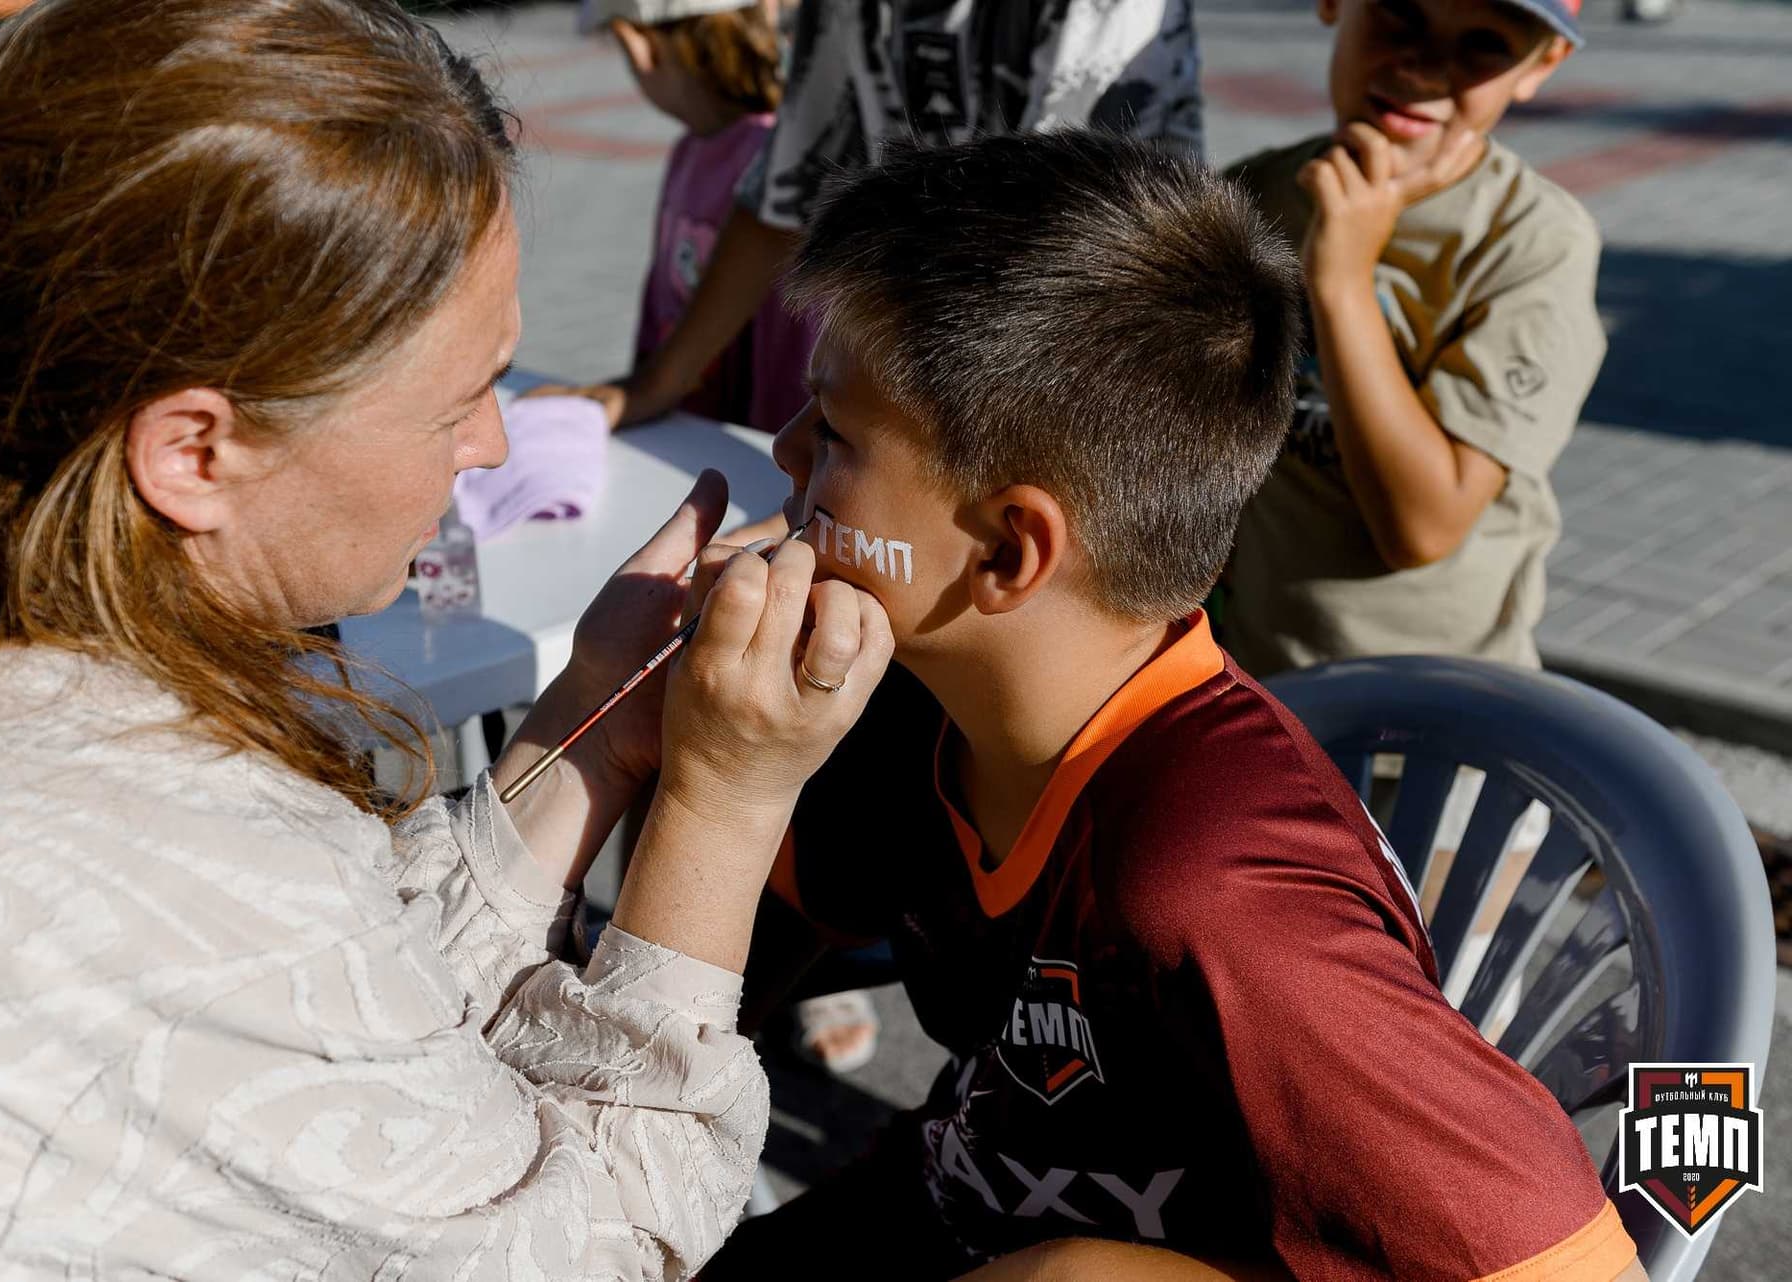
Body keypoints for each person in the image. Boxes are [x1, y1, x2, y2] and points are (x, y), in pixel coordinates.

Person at [0, 2, 893, 1279]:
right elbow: (598, 1247)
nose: (493, 451)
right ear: (195, 450)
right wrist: (726, 798)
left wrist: (595, 716)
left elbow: (357, 1000)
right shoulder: (138, 846)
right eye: (460, 402)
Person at [700, 133, 1645, 1280]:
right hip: (943, 1206)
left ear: (1008, 548)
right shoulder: (908, 701)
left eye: (834, 435)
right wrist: (692, 753)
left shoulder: (1219, 894)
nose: (785, 457)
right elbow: (701, 989)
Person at [541, 0, 1204, 431]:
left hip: (1083, 410)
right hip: (941, 405)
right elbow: (790, 191)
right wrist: (658, 382)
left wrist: (879, 474)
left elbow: (1056, 270)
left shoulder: (1111, 11)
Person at [1217, 0, 1606, 678]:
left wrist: (1341, 280)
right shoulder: (1251, 196)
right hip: (1252, 685)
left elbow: (1422, 528)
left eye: (1483, 43)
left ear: (1543, 63)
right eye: (1402, 15)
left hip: (1427, 714)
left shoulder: (1532, 244)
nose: (1424, 70)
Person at [577, 0, 816, 433]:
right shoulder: (717, 152)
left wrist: (645, 385)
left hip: (752, 443)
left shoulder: (760, 161)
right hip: (752, 442)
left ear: (637, 46)